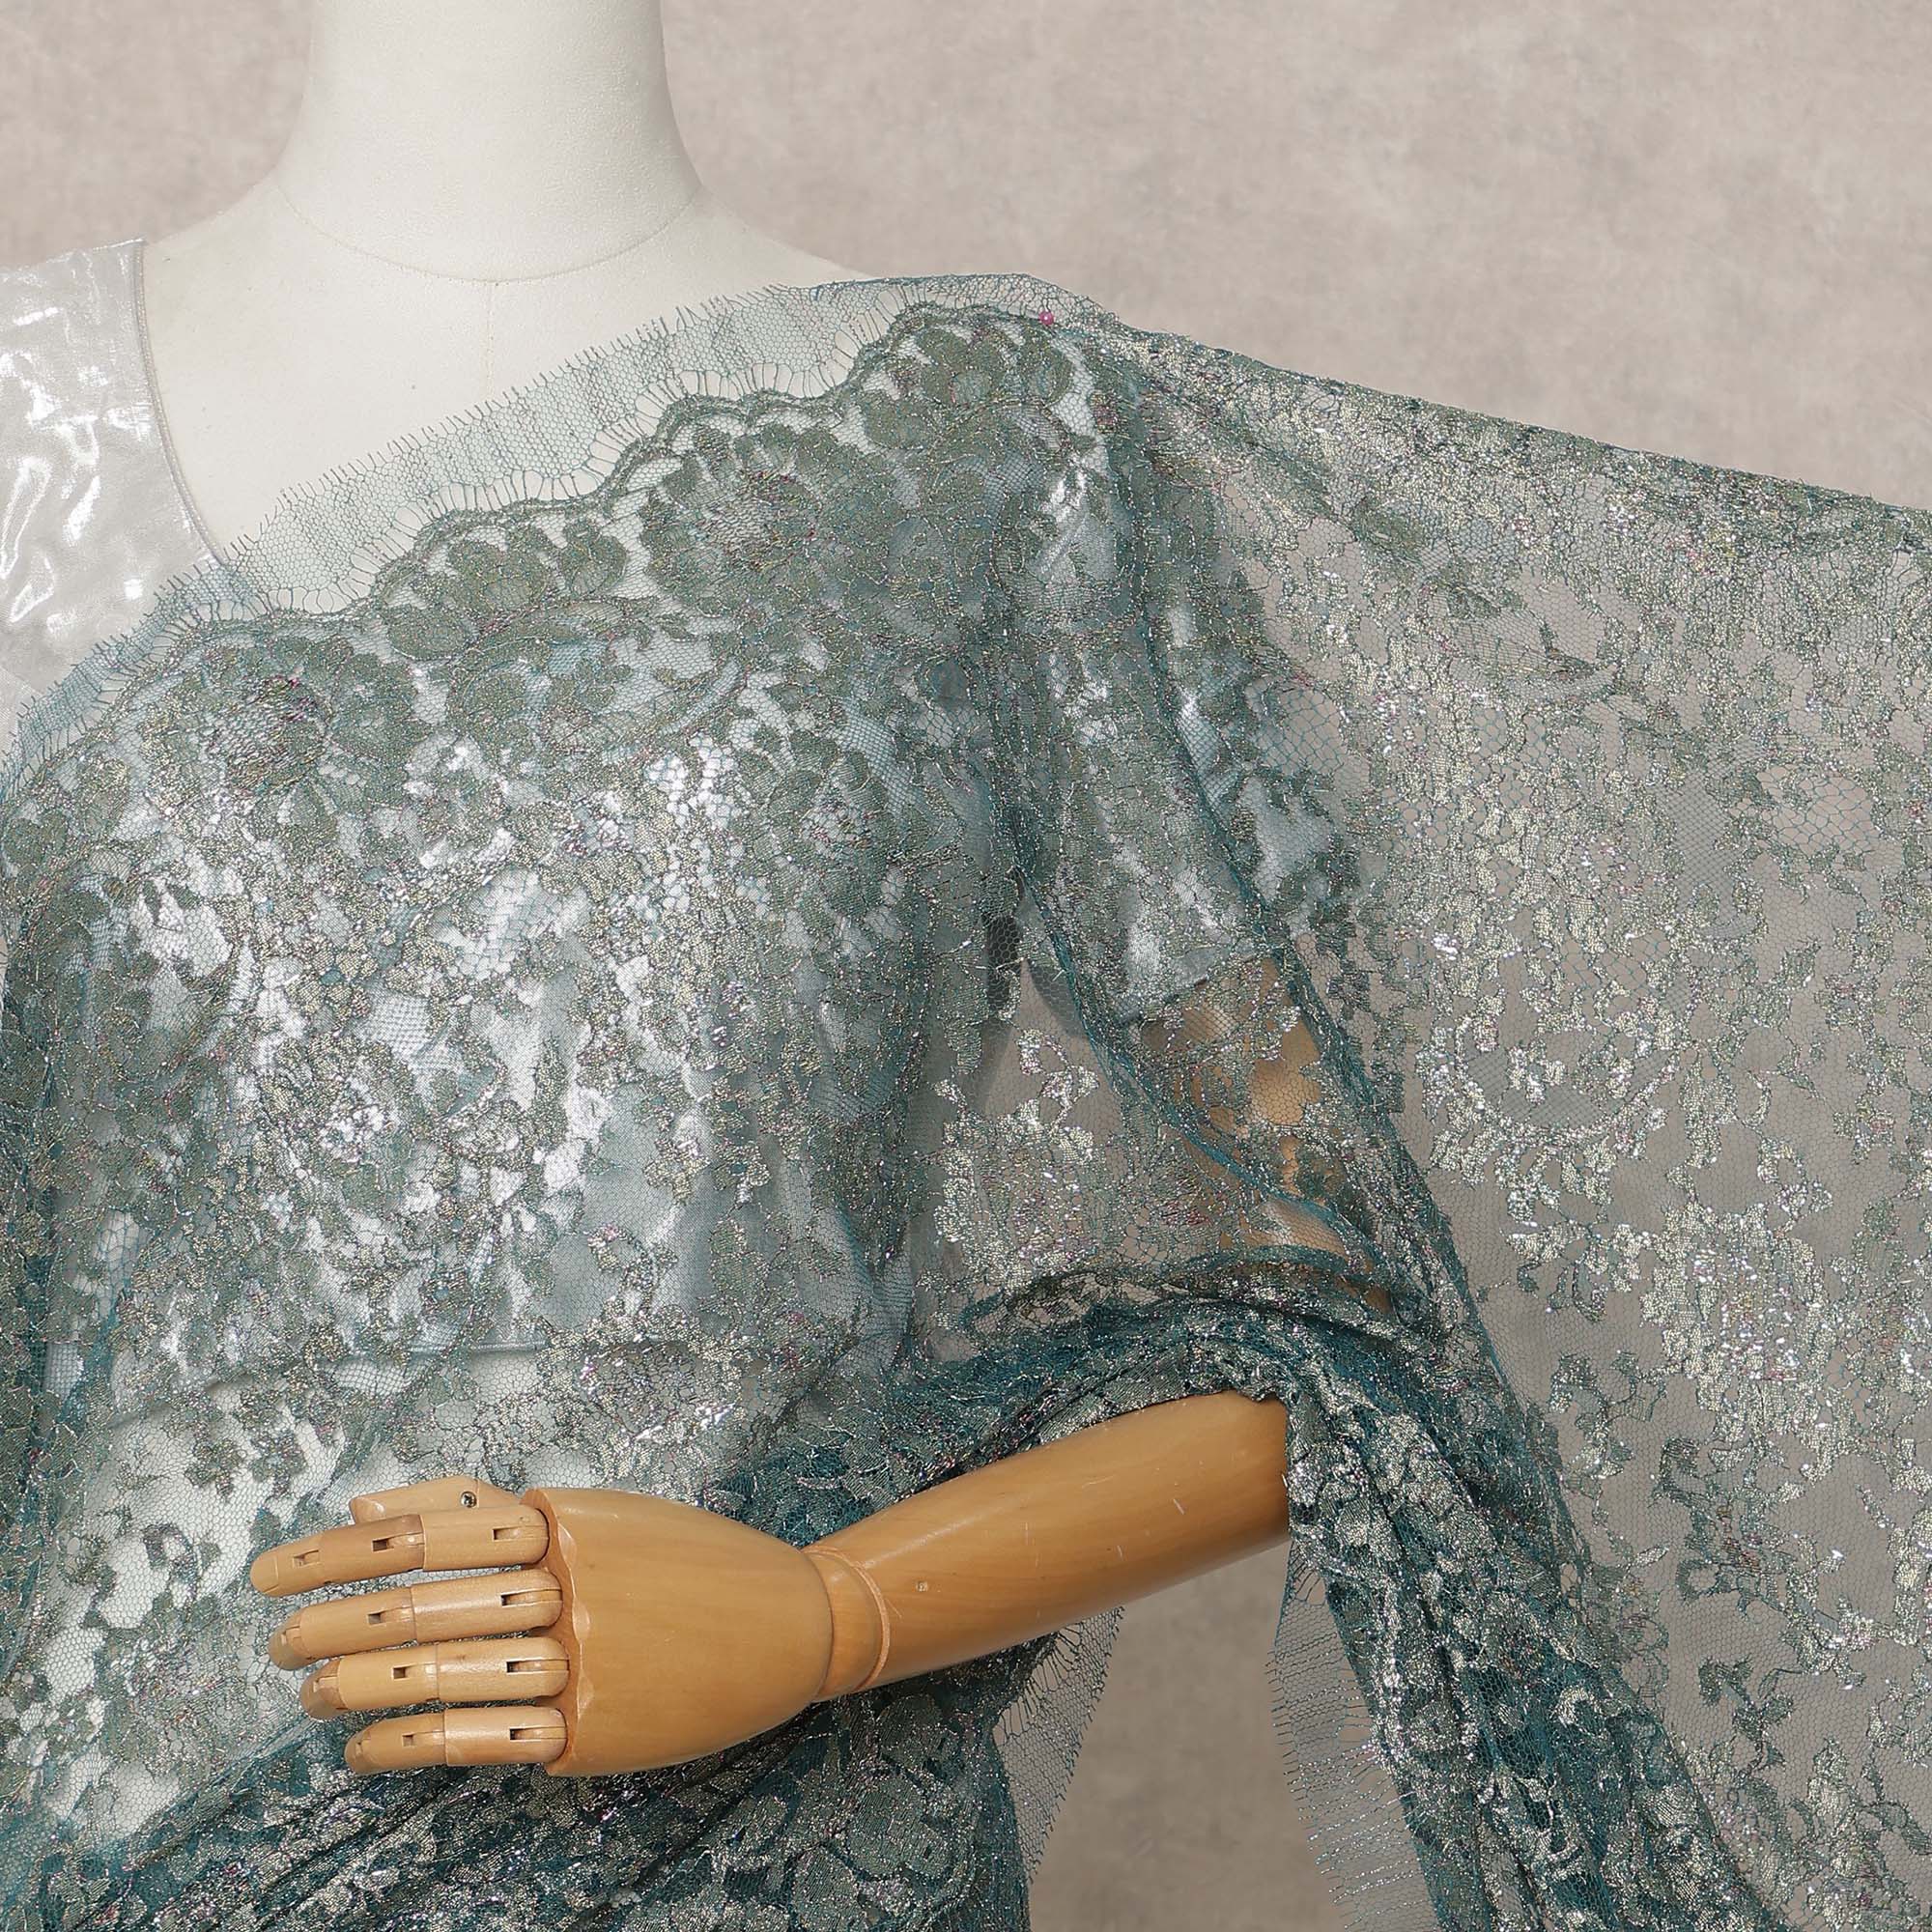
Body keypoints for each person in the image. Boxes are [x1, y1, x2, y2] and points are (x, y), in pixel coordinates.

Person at [1, 5, 1924, 1929]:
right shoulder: (27, 423)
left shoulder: (982, 446)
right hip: (128, 1846)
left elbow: (1344, 1300)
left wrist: (827, 1606)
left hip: (778, 1845)